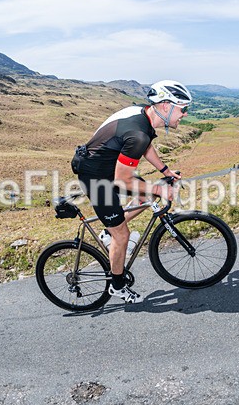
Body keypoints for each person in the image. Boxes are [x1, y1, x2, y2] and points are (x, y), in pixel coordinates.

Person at [70, 80, 187, 303]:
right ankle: (117, 285)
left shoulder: (142, 115)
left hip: (107, 168)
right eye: (183, 109)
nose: (185, 114)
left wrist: (165, 170)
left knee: (146, 196)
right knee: (122, 235)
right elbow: (123, 180)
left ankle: (108, 232)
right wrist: (160, 189)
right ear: (165, 106)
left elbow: (146, 147)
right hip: (95, 176)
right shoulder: (138, 133)